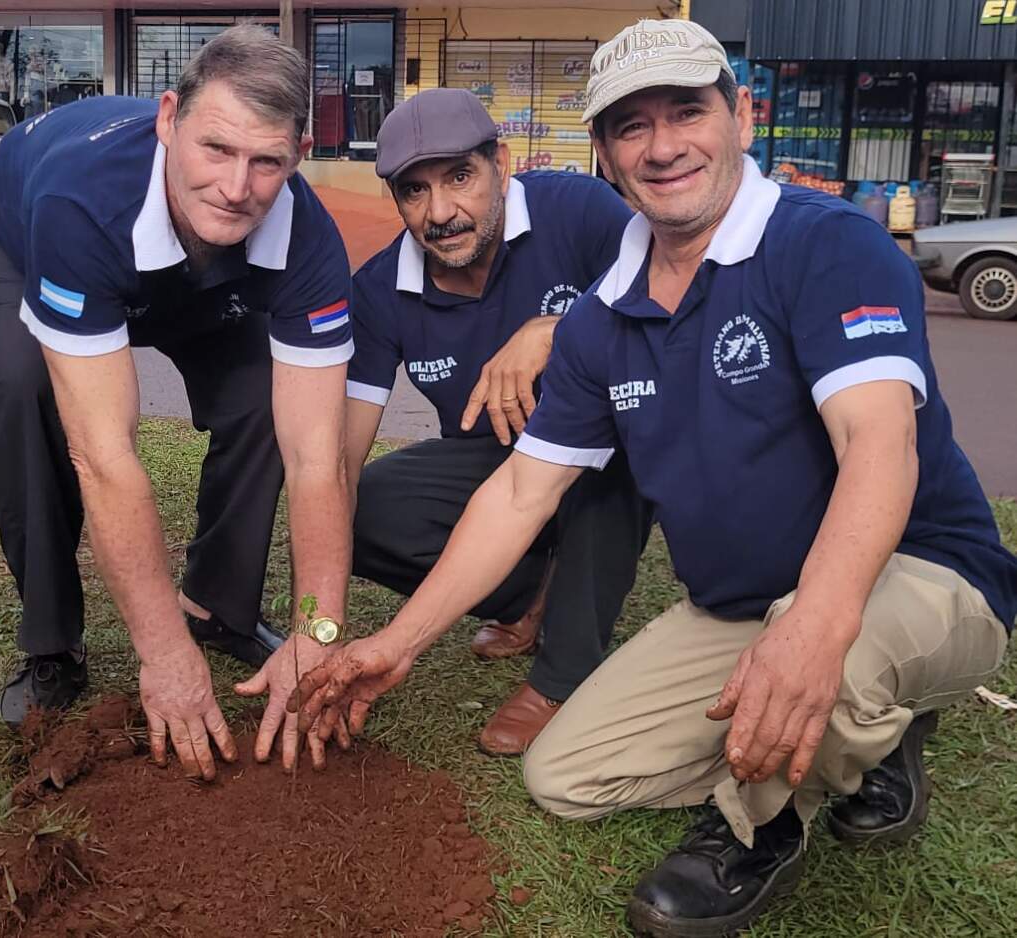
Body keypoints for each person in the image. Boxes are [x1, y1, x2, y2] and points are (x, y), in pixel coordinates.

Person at [296, 19, 1017, 937]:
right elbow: (523, 492)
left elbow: (880, 446)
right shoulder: (601, 321)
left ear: (742, 117)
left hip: (917, 571)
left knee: (823, 653)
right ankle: (864, 728)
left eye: (687, 112)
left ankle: (761, 826)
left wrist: (814, 637)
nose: (664, 145)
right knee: (566, 776)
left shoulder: (826, 244)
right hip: (743, 603)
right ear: (604, 152)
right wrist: (396, 642)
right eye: (631, 126)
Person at [0, 25, 353, 778]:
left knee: (265, 401)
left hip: (203, 273)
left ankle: (217, 606)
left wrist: (321, 634)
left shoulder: (308, 238)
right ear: (168, 120)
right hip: (26, 229)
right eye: (216, 149)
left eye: (266, 161)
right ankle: (52, 643)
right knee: (21, 392)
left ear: (298, 158)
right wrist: (162, 654)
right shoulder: (83, 203)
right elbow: (103, 456)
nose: (237, 187)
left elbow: (316, 456)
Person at [345, 88, 650, 755]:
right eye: (414, 191)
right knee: (362, 507)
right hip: (495, 457)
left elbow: (670, 301)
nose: (442, 213)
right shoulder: (377, 289)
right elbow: (339, 457)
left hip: (603, 443)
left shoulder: (578, 210)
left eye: (460, 176)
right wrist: (317, 629)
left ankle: (563, 677)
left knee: (610, 450)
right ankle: (526, 599)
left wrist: (560, 328)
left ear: (501, 164)